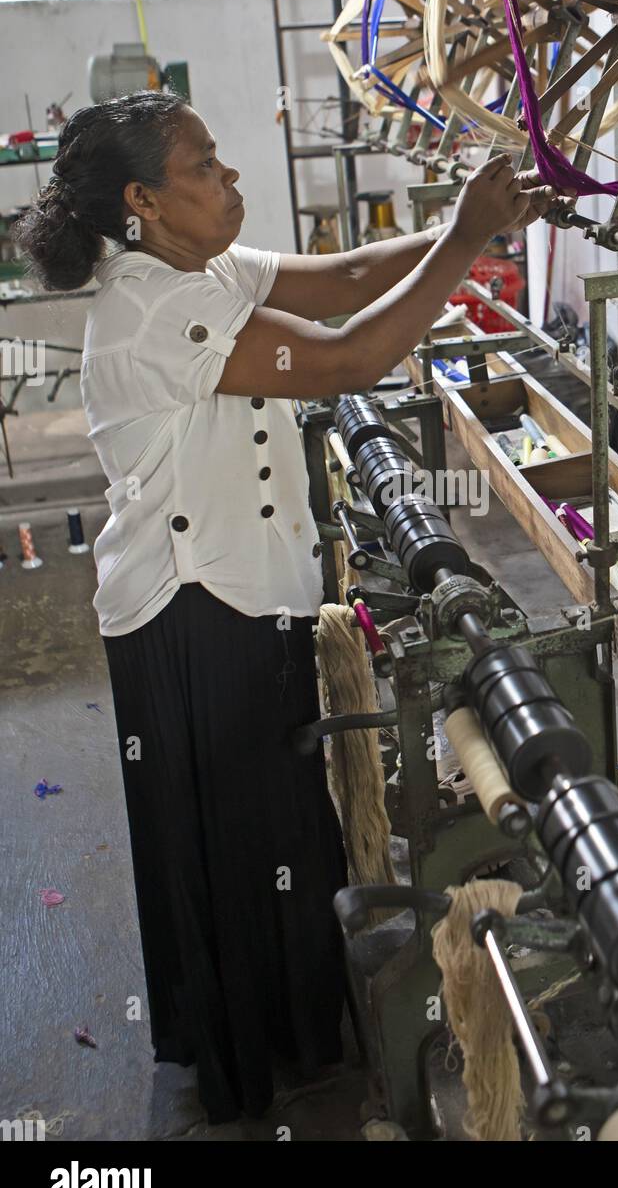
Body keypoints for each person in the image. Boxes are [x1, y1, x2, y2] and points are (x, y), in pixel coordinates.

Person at [13, 91, 555, 1125]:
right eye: (205, 166)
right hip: (188, 618)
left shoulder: (197, 267)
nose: (232, 180)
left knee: (272, 834)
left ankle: (298, 1034)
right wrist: (469, 237)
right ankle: (252, 1062)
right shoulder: (150, 306)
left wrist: (456, 225)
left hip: (240, 596)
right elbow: (348, 354)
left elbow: (349, 279)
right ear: (143, 201)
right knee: (234, 841)